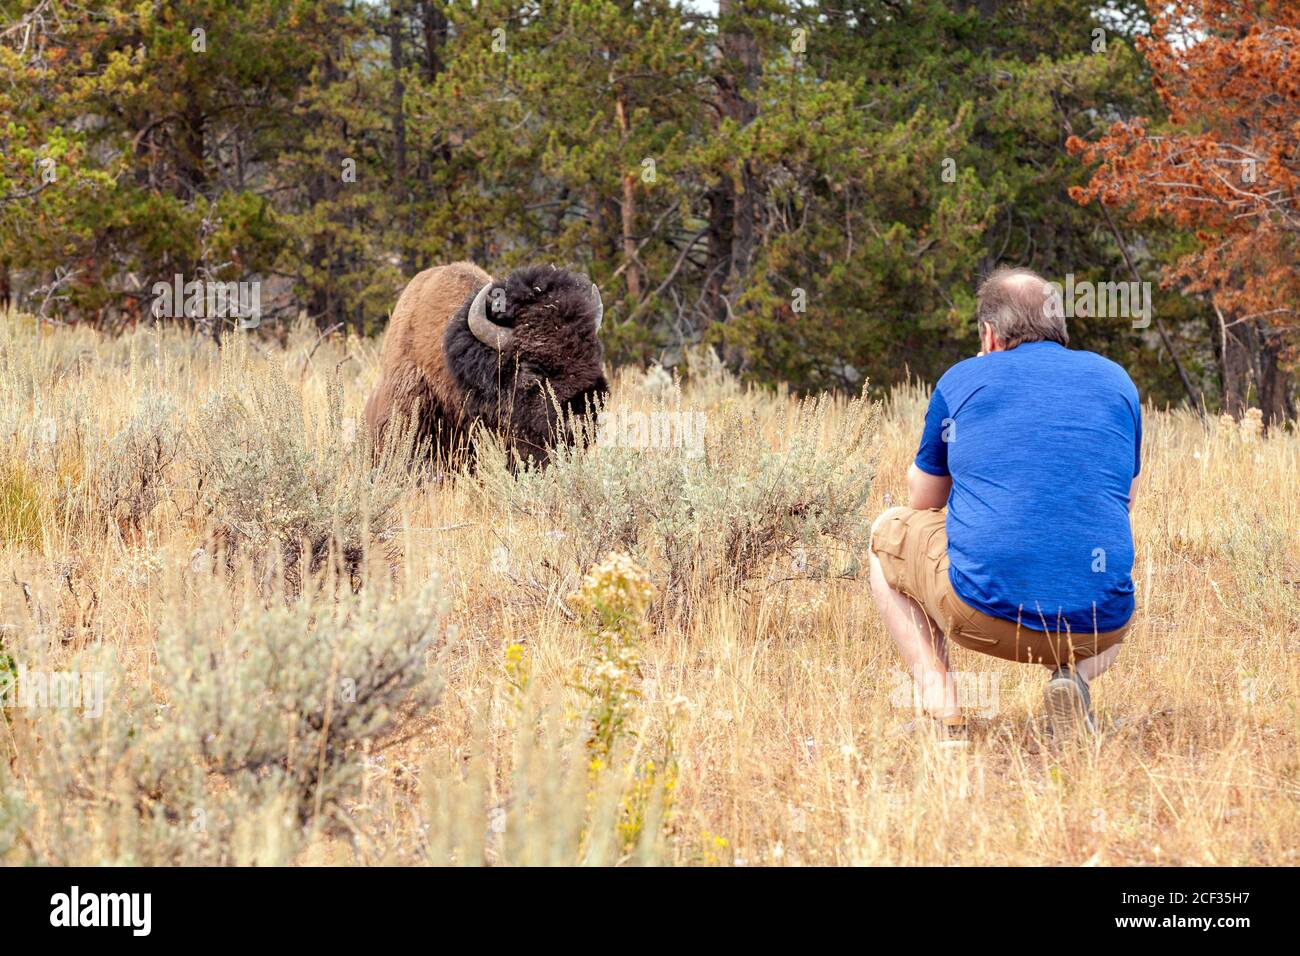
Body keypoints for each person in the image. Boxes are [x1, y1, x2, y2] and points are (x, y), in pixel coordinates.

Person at [868, 266, 1142, 740]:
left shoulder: (963, 379)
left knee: (886, 534)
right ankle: (1071, 680)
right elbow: (1123, 501)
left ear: (989, 334)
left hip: (982, 615)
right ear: (1059, 327)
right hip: (1099, 627)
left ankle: (944, 713)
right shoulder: (1117, 382)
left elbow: (923, 498)